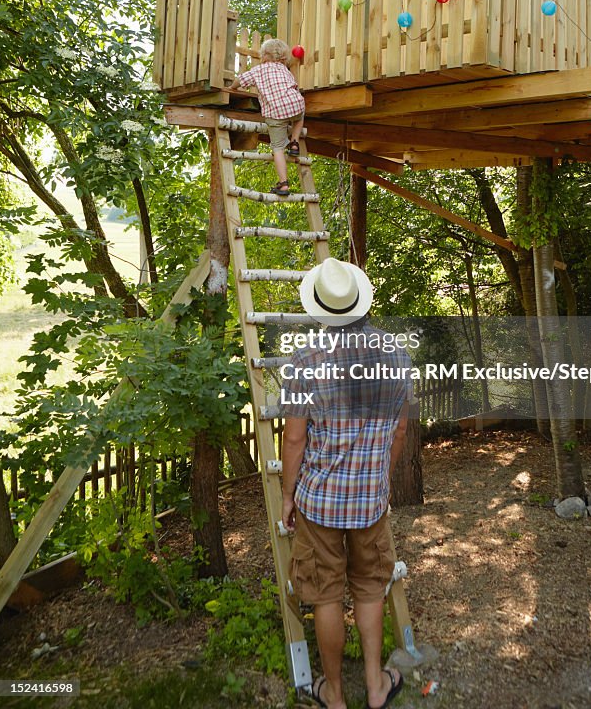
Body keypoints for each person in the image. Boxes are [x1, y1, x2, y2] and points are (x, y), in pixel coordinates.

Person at [280, 258, 412, 709]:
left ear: (320, 309)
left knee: (325, 594)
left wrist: (287, 494)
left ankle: (333, 695)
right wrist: (383, 479)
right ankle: (376, 686)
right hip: (370, 502)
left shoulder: (303, 362)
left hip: (319, 504)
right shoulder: (397, 354)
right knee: (372, 585)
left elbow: (294, 438)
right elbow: (399, 432)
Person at [230, 37, 305, 196]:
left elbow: (240, 80)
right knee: (299, 116)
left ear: (264, 56)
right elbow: (294, 85)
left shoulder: (258, 70)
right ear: (282, 58)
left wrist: (231, 88)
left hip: (275, 113)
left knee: (277, 148)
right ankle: (294, 143)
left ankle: (284, 184)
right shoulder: (284, 69)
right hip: (294, 104)